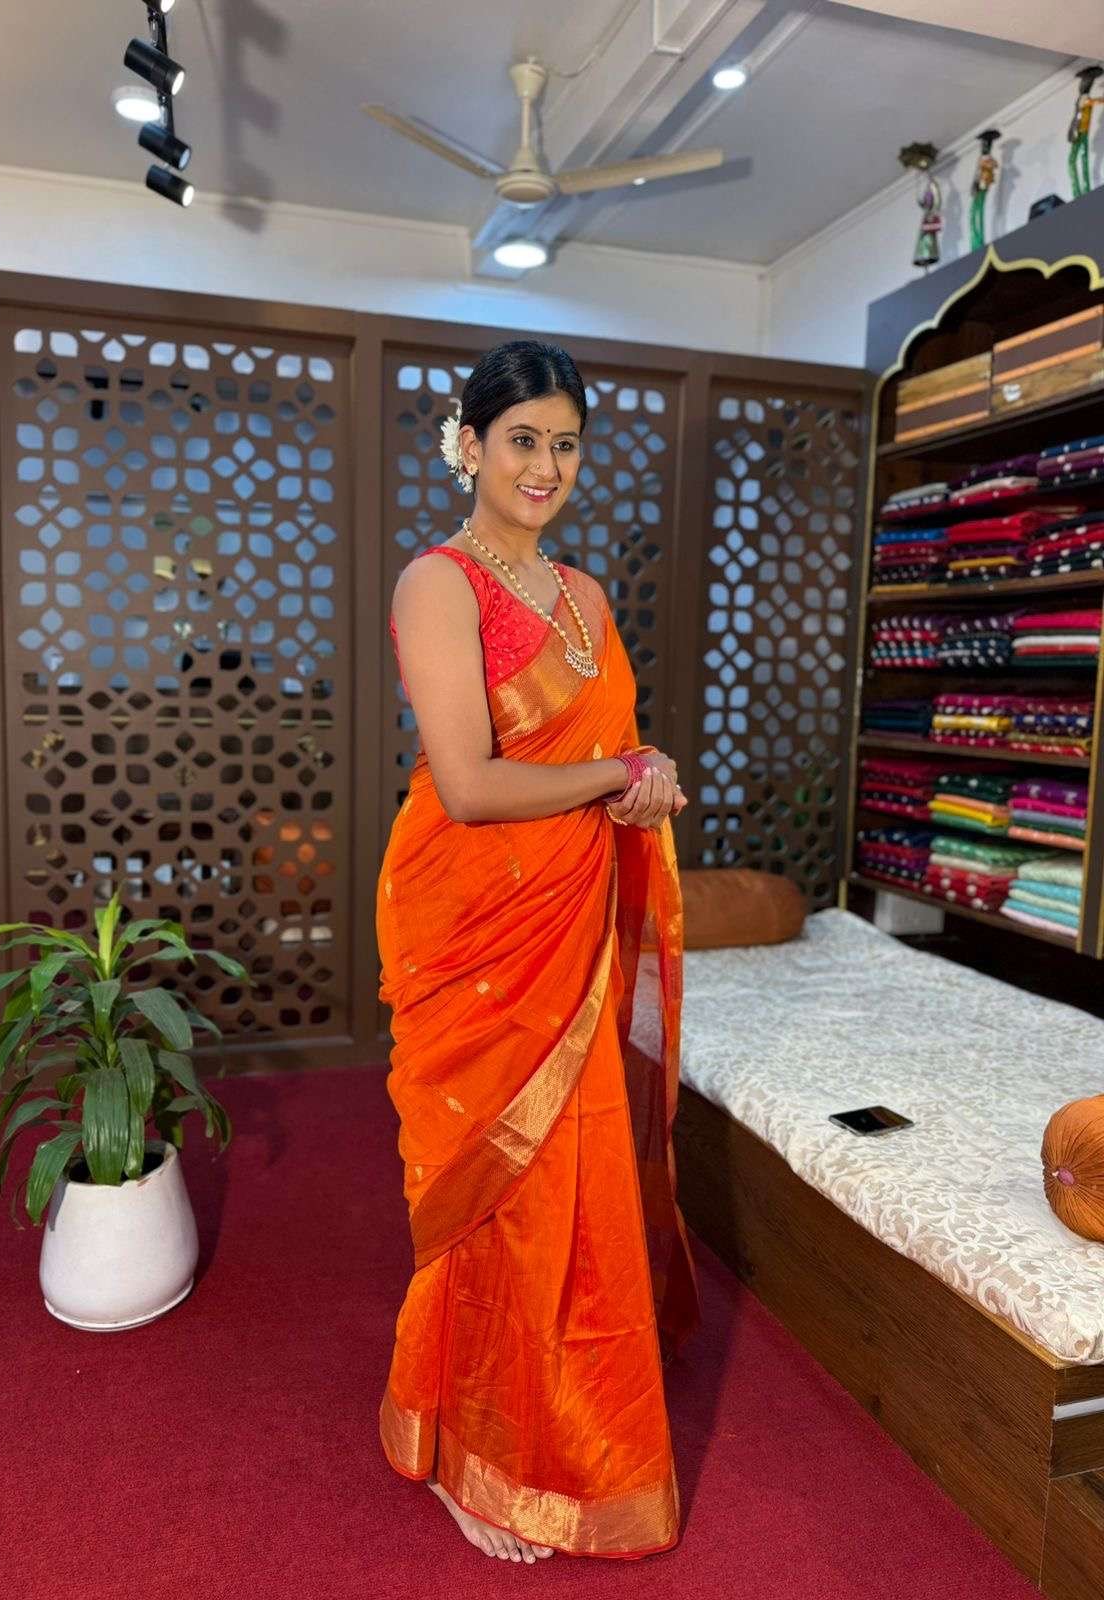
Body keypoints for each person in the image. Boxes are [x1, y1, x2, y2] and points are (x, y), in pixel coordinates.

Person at [376, 339, 703, 1564]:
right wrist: (616, 773)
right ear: (469, 444)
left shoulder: (586, 596)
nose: (545, 465)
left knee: (569, 1180)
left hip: (568, 921)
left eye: (565, 443)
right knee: (492, 1194)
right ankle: (469, 1450)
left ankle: (560, 1423)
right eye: (523, 439)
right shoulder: (439, 584)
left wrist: (642, 772)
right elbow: (468, 783)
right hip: (473, 924)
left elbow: (600, 750)